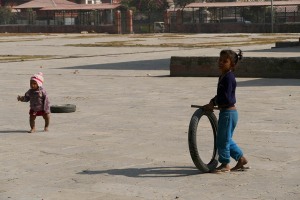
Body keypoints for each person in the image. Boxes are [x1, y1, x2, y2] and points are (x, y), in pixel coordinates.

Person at [204, 49, 248, 172]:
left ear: (232, 65)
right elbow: (220, 95)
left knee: (222, 139)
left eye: (225, 61)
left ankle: (225, 163)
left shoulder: (229, 78)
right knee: (225, 138)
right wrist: (212, 102)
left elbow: (226, 97)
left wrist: (214, 104)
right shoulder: (223, 76)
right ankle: (240, 159)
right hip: (226, 112)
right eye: (220, 60)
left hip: (228, 113)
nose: (221, 62)